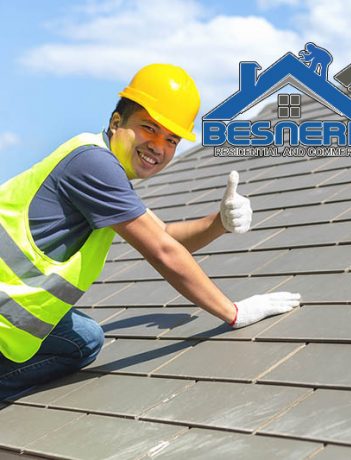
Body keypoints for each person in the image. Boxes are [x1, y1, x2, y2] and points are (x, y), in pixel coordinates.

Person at [0, 64, 300, 401]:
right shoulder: (94, 166)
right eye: (149, 128)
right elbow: (162, 251)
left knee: (84, 340)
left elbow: (165, 235)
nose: (159, 146)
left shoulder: (100, 167)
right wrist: (233, 312)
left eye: (171, 139)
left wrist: (219, 223)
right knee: (82, 342)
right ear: (117, 123)